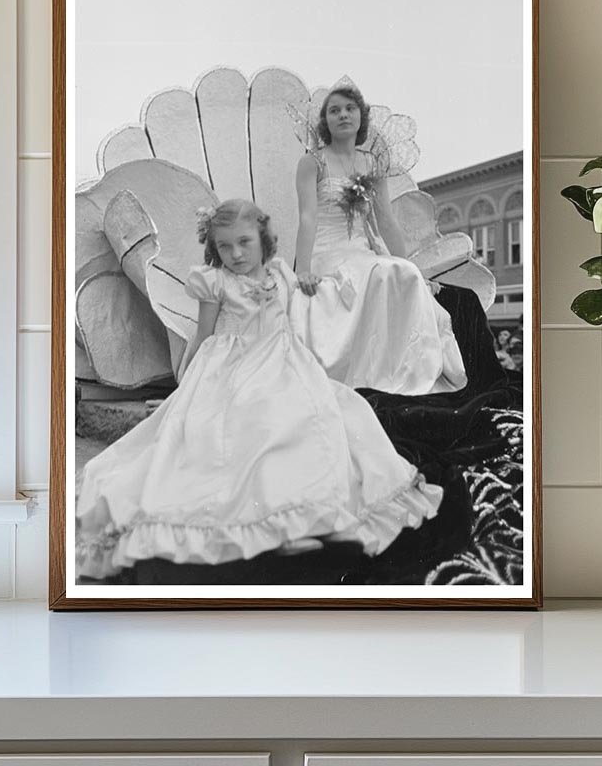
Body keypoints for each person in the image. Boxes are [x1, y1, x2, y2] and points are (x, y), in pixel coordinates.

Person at [75, 198, 443, 579]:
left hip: (282, 359)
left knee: (325, 417)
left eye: (244, 242)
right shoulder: (215, 282)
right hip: (230, 367)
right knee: (245, 428)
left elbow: (306, 310)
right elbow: (203, 335)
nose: (235, 254)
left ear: (263, 238)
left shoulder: (280, 273)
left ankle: (306, 513)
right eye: (224, 246)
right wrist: (185, 387)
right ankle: (273, 521)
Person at [293, 82, 467, 395]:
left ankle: (405, 372)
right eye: (334, 110)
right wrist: (302, 269)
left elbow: (385, 220)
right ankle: (368, 375)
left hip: (362, 251)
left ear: (361, 117)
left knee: (400, 271)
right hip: (327, 251)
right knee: (379, 272)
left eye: (350, 109)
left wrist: (415, 270)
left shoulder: (372, 164)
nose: (343, 115)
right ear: (325, 121)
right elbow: (308, 217)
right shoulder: (312, 162)